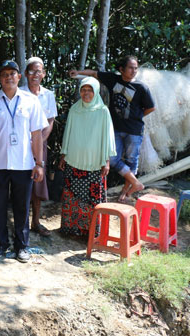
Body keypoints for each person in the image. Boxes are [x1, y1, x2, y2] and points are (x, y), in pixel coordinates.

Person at [69, 56, 155, 202]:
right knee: (113, 159)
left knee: (131, 161)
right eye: (130, 67)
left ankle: (125, 191)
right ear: (121, 69)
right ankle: (135, 182)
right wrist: (78, 72)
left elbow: (150, 108)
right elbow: (94, 73)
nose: (134, 71)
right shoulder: (113, 79)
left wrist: (137, 117)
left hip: (134, 130)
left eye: (136, 68)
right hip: (115, 128)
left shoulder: (142, 87)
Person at [0, 60, 47, 263]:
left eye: (13, 73)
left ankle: (22, 246)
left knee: (21, 207)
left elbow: (37, 134)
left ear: (19, 77)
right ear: (0, 78)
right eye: (5, 74)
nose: (9, 77)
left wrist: (39, 163)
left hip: (23, 164)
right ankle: (1, 244)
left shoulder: (31, 101)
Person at [58, 77, 116, 237]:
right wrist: (64, 154)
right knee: (72, 196)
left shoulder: (103, 111)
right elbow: (68, 133)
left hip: (95, 163)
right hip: (74, 161)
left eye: (90, 90)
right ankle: (71, 229)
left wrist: (106, 161)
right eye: (83, 89)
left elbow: (108, 138)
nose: (86, 93)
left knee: (93, 199)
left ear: (96, 91)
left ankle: (90, 232)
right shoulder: (75, 109)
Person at [20, 57, 57, 237]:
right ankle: (20, 223)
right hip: (19, 144)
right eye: (32, 71)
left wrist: (41, 140)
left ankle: (35, 221)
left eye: (39, 71)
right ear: (26, 73)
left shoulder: (48, 95)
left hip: (40, 143)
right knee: (20, 182)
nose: (36, 74)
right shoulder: (19, 92)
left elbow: (50, 120)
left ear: (43, 74)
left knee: (37, 182)